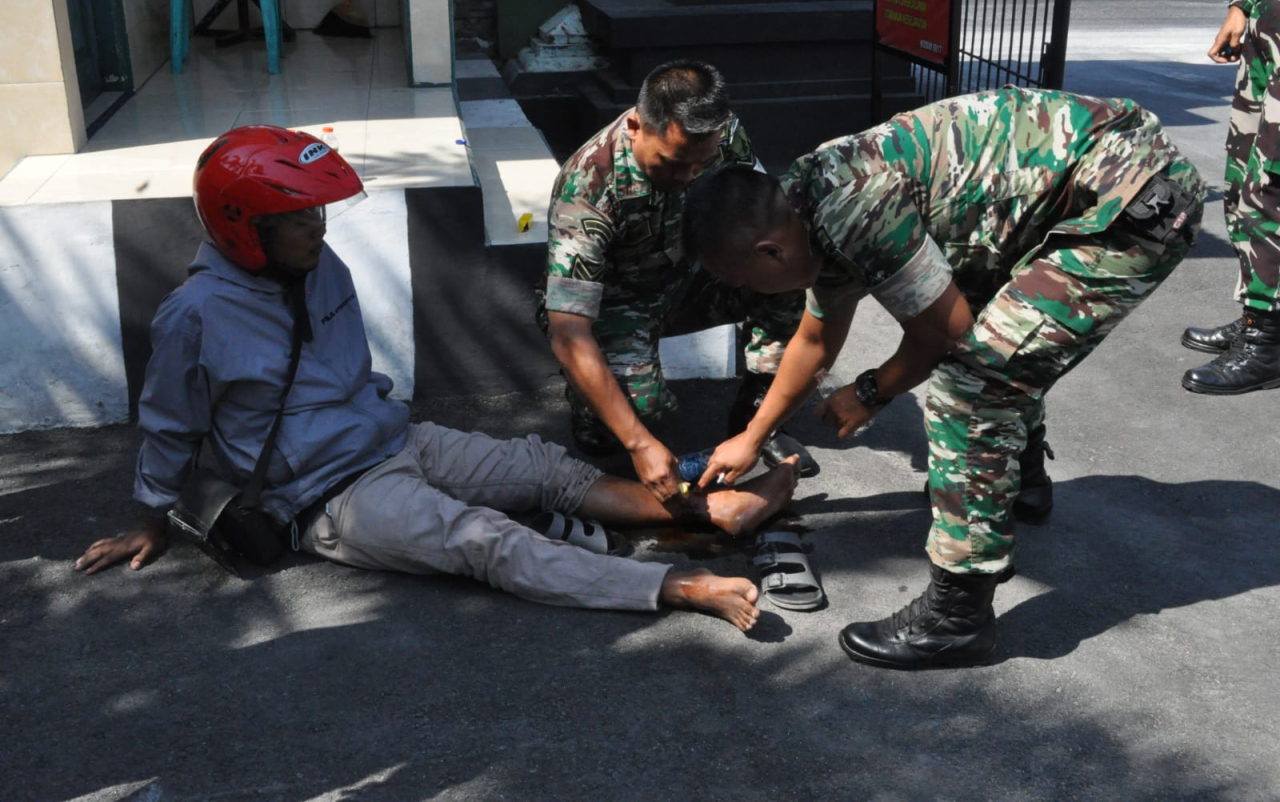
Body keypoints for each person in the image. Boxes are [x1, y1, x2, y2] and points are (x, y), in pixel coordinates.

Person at [74, 125, 802, 634]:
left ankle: (711, 515)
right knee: (484, 540)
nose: (321, 231)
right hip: (329, 495)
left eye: (321, 213)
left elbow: (346, 377)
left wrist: (398, 439)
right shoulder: (194, 317)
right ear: (245, 227)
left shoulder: (320, 266)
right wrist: (150, 521)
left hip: (393, 439)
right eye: (300, 220)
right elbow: (171, 424)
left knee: (540, 465)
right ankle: (674, 586)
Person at [679, 88, 1205, 667]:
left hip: (1128, 201)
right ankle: (1022, 482)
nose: (751, 295)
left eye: (746, 281)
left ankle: (957, 616)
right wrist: (751, 438)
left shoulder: (852, 207)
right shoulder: (807, 203)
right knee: (988, 319)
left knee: (972, 385)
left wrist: (872, 391)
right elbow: (815, 338)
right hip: (1084, 185)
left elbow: (947, 333)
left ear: (770, 251)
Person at [537, 59, 815, 510]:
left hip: (694, 284)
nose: (687, 177)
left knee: (783, 277)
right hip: (619, 304)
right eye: (673, 163)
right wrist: (639, 444)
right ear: (635, 125)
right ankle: (592, 411)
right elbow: (569, 332)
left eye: (699, 165)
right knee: (645, 412)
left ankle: (755, 421)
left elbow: (757, 211)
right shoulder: (586, 189)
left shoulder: (724, 134)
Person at [1185, 0, 1280, 394]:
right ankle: (1258, 313)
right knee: (1244, 176)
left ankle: (1267, 341)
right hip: (1269, 27)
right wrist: (1243, 4)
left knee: (1271, 186)